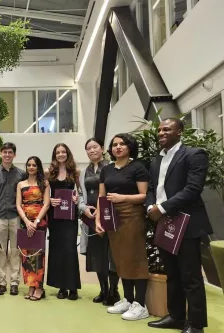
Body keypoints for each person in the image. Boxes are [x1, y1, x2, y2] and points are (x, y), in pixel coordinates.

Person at [146, 118, 212, 333]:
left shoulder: (194, 155)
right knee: (171, 273)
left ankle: (195, 324)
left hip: (187, 224)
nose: (162, 132)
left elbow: (193, 189)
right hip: (165, 223)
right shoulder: (157, 160)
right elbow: (152, 189)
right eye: (160, 130)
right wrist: (150, 208)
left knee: (190, 276)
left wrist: (162, 208)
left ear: (180, 131)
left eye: (167, 129)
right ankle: (176, 316)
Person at [96, 133, 150, 321]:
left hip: (132, 215)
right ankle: (128, 299)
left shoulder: (138, 167)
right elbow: (102, 197)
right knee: (120, 258)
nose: (118, 147)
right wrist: (98, 220)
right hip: (112, 216)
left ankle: (141, 304)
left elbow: (145, 195)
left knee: (135, 257)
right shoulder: (107, 169)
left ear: (129, 147)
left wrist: (123, 198)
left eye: (122, 144)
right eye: (114, 144)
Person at [78, 138, 120, 305]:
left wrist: (101, 212)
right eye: (88, 148)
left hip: (109, 215)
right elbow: (80, 193)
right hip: (90, 217)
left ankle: (113, 291)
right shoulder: (84, 171)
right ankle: (103, 289)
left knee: (110, 254)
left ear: (102, 149)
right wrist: (83, 208)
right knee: (96, 255)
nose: (92, 150)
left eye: (95, 147)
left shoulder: (111, 168)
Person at [0, 142, 25, 296]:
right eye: (5, 152)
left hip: (16, 217)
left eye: (10, 152)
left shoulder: (21, 174)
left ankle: (14, 282)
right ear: (0, 154)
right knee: (1, 251)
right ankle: (1, 282)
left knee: (15, 251)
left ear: (14, 155)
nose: (7, 155)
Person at [45, 143, 81, 300]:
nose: (60, 154)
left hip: (70, 215)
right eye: (58, 152)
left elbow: (80, 191)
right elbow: (44, 193)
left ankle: (73, 287)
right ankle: (61, 286)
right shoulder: (49, 172)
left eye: (63, 152)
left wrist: (77, 197)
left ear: (68, 154)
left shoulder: (75, 171)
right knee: (57, 249)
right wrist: (50, 199)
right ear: (54, 155)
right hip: (54, 215)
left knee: (70, 249)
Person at [16, 156, 50, 301]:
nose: (31, 167)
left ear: (38, 167)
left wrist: (35, 222)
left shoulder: (44, 183)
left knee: (38, 255)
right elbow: (18, 204)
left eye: (34, 165)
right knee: (26, 256)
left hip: (39, 223)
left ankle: (39, 288)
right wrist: (26, 221)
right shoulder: (20, 184)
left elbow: (47, 204)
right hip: (25, 223)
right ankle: (30, 285)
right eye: (29, 165)